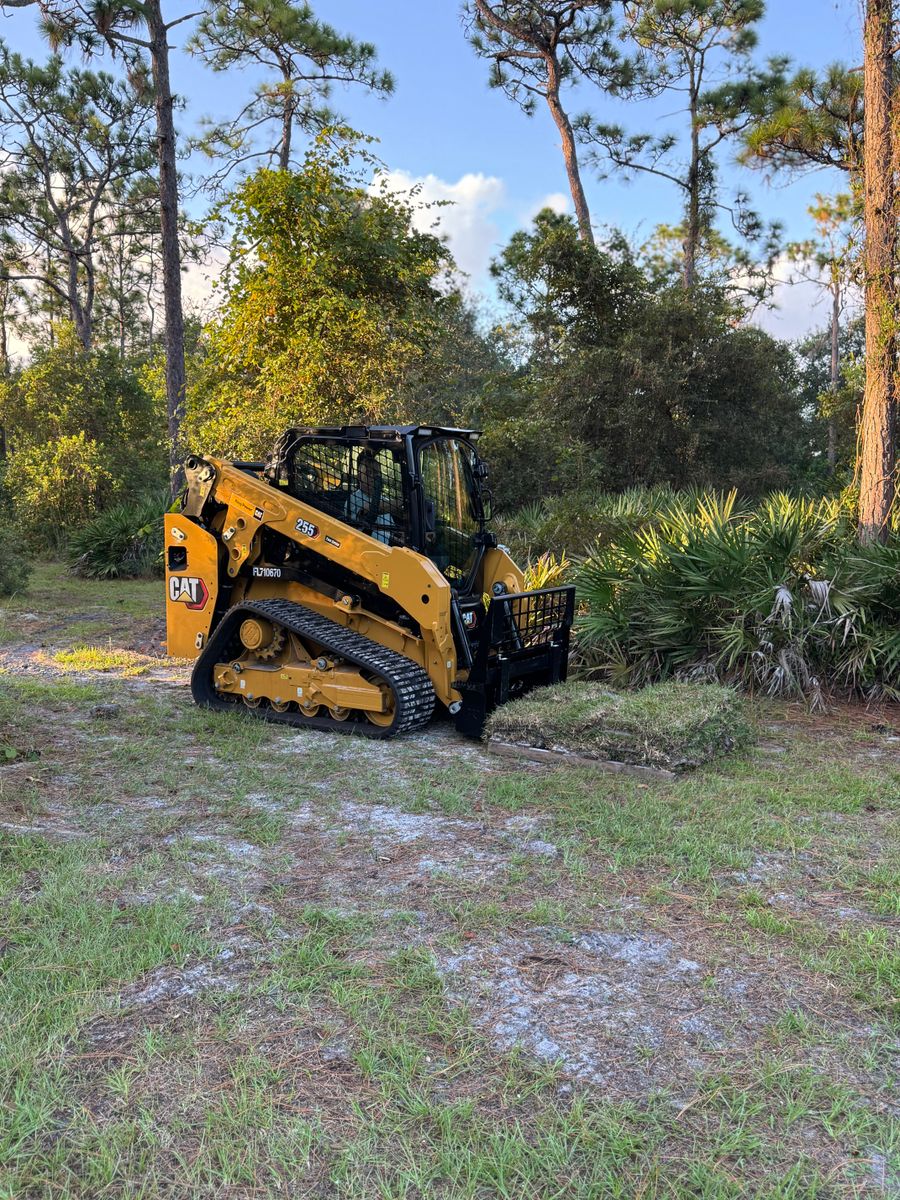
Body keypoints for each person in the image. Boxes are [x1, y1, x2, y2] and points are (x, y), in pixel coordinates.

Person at [346, 450, 396, 545]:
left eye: (376, 473)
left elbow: (390, 531)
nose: (373, 477)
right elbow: (370, 509)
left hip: (384, 554)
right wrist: (404, 502)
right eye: (368, 473)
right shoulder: (353, 499)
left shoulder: (385, 500)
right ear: (360, 476)